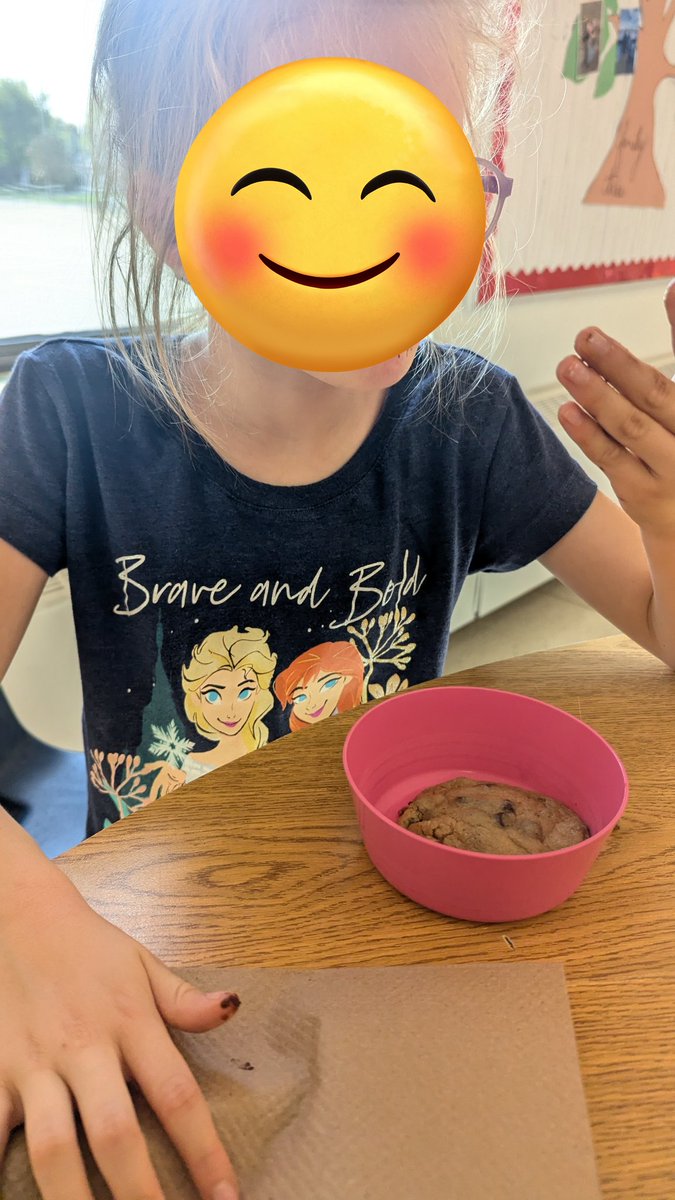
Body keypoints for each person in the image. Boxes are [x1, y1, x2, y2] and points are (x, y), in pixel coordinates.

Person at [1, 1, 675, 1196]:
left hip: (396, 934)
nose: (394, 227)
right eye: (315, 169)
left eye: (434, 171)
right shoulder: (66, 418)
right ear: (169, 207)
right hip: (140, 941)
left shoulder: (468, 423)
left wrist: (669, 527)